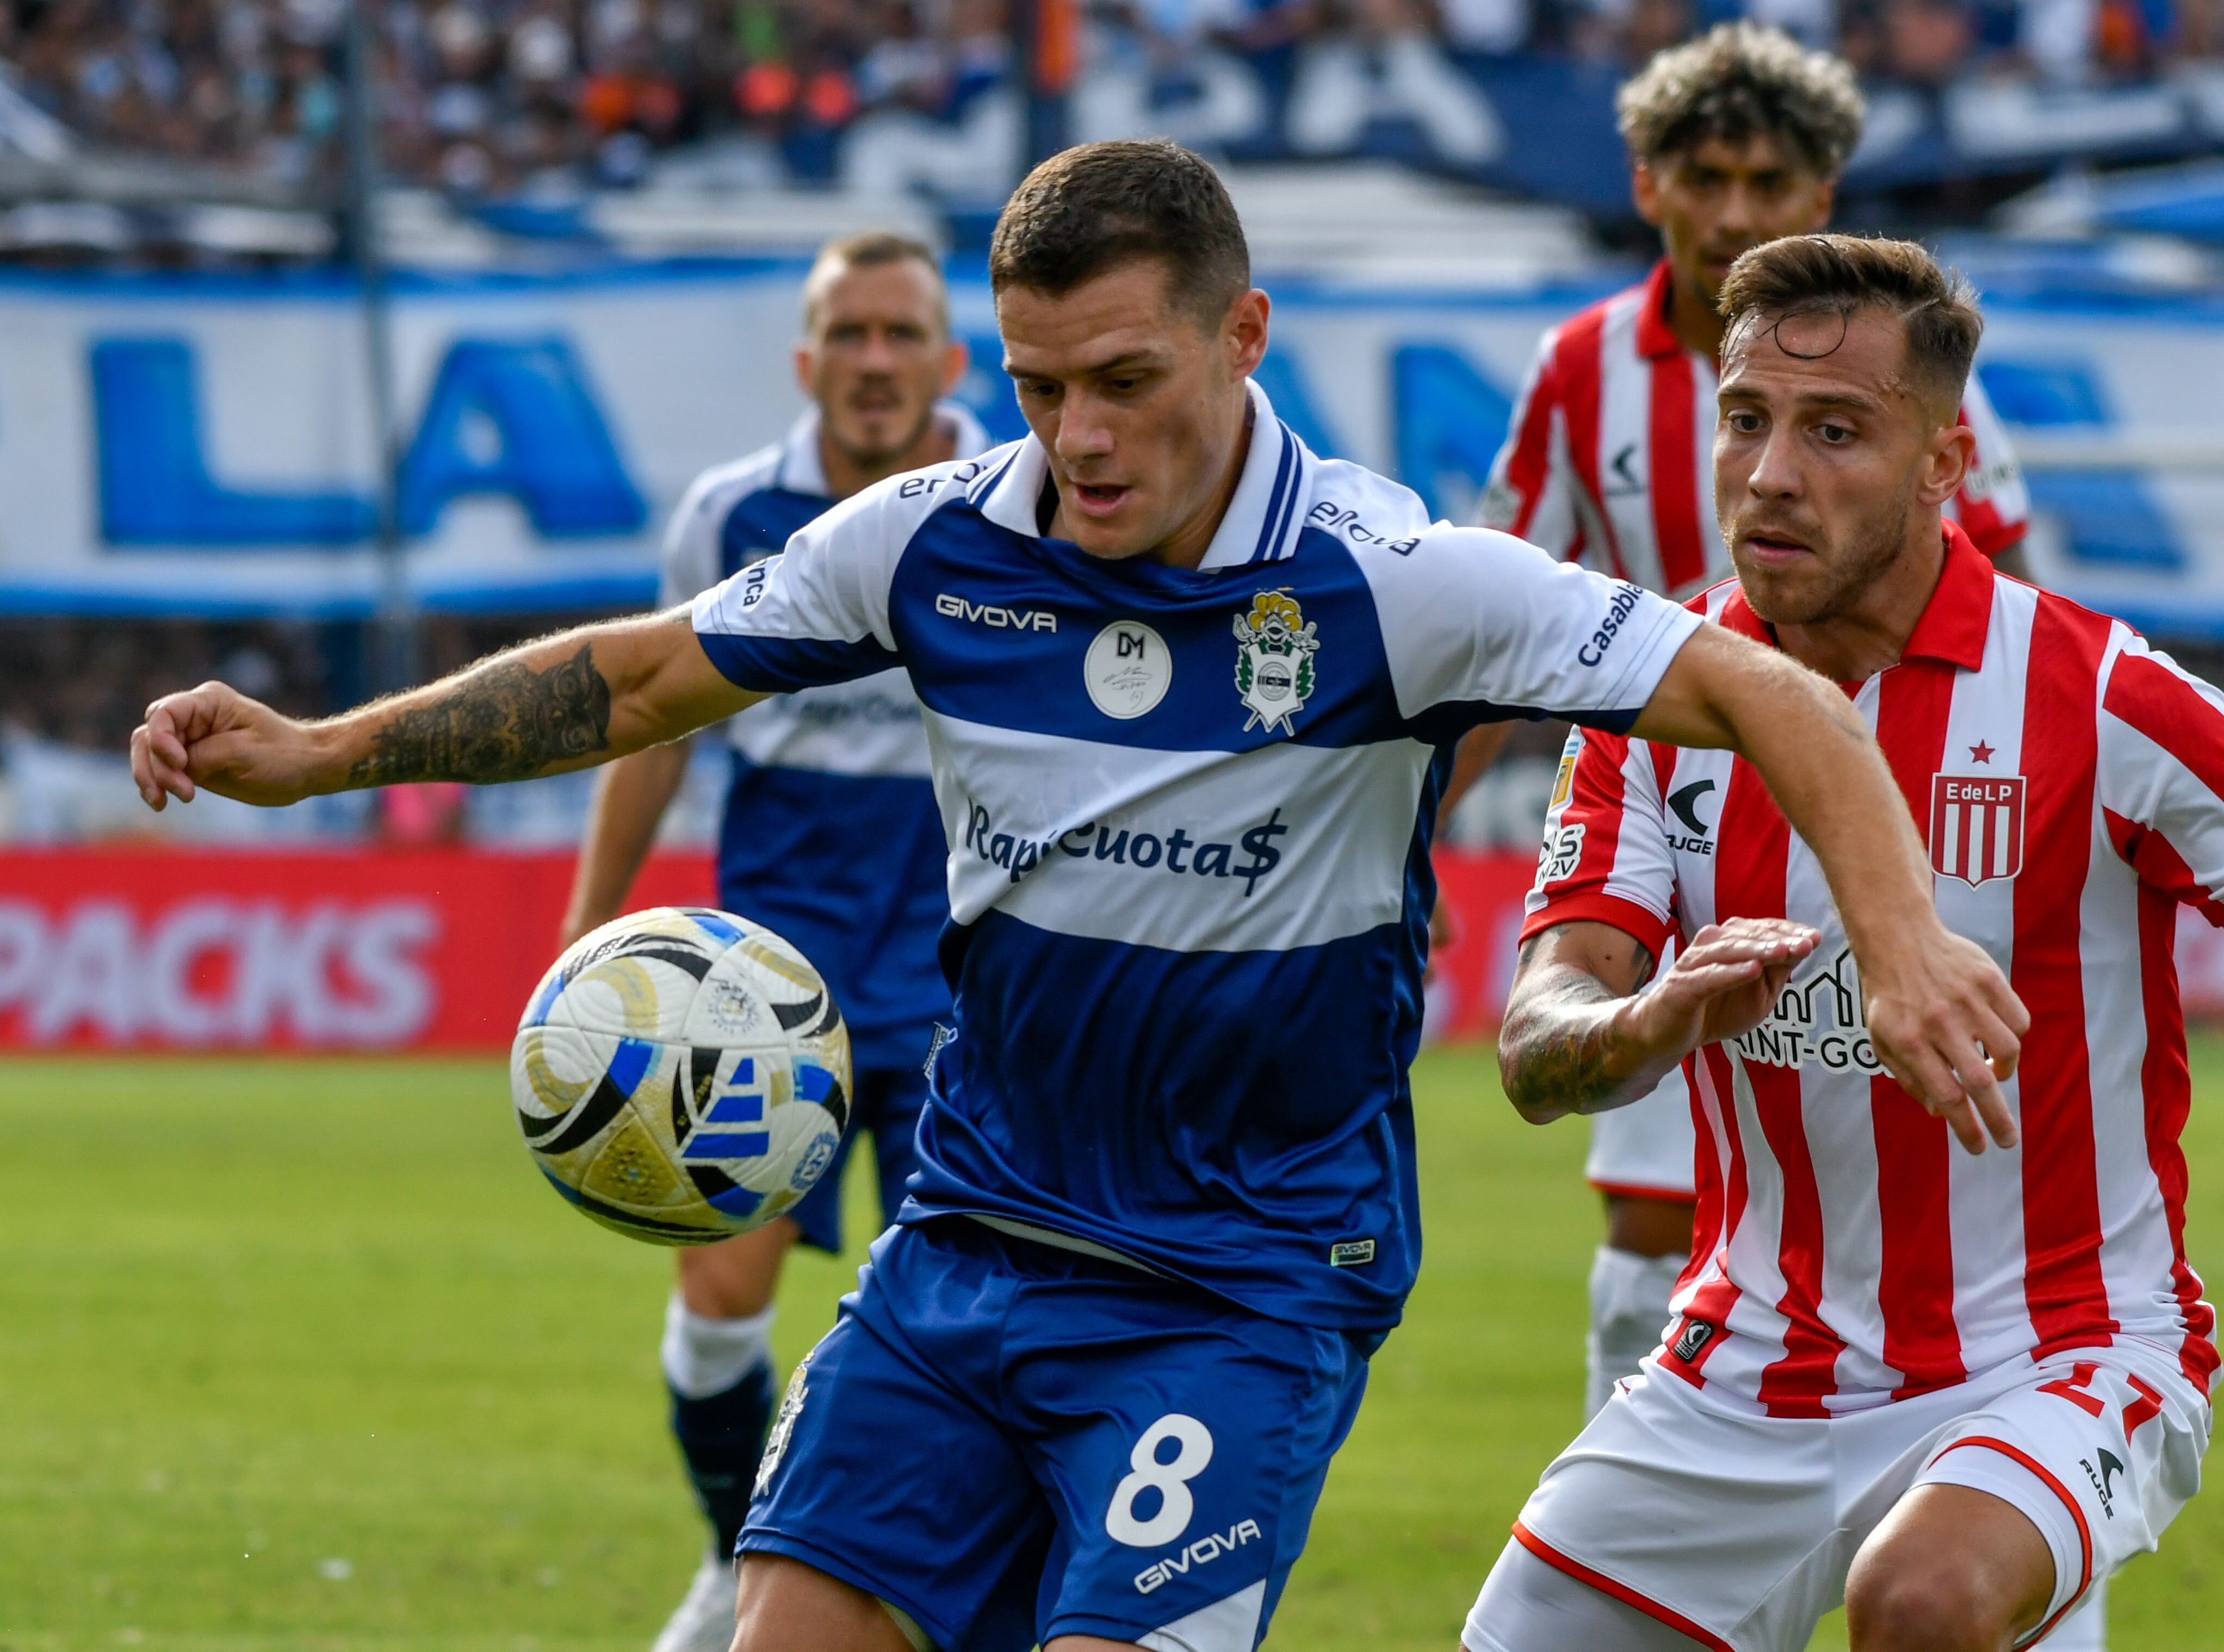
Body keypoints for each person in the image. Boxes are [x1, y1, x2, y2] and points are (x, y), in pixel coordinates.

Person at [129, 142, 2030, 1652]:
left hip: (1245, 1282)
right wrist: (315, 753)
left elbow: (1769, 690)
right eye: (1043, 388)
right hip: (969, 1249)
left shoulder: (1397, 580)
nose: (1084, 440)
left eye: (1128, 381)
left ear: (1243, 336)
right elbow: (638, 679)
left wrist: (1903, 937)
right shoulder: (942, 542)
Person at [1460, 233, 2224, 1652]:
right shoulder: (1651, 706)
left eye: (1835, 432)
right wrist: (1641, 1025)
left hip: (2062, 1358)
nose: (1769, 475)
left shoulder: (2112, 700)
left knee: (1923, 1600)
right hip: (1740, 1369)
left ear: (1945, 465)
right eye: (1745, 421)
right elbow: (1537, 1038)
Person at [1472, 17, 2033, 1522]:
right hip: (1670, 826)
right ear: (1646, 179)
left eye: (1765, 176)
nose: (1731, 211)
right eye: (1702, 174)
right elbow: (1494, 611)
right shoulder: (1582, 369)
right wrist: (1403, 837)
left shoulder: (1910, 375)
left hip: (1884, 842)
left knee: (1916, 1223)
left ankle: (1938, 1507)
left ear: (1826, 181)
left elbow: (2006, 602)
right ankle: (1658, 1534)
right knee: (1656, 1222)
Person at [554, 231, 987, 1652]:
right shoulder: (729, 515)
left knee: (970, 1304)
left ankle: (935, 1589)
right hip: (765, 982)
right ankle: (734, 1547)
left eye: (898, 335)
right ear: (807, 361)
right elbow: (651, 724)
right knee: (722, 1286)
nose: (873, 362)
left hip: (966, 972)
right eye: (846, 335)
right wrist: (587, 928)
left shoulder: (1018, 501)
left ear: (948, 358)